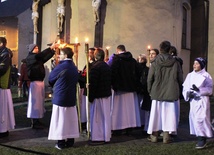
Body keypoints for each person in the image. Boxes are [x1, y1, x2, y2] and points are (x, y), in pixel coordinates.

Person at [147, 41, 183, 144]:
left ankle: (154, 136)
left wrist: (150, 90)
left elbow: (150, 78)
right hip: (170, 90)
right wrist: (179, 88)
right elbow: (180, 78)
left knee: (155, 115)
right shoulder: (175, 62)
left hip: (157, 91)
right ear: (169, 49)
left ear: (161, 49)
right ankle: (166, 136)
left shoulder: (155, 62)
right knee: (169, 115)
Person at [48, 47, 79, 150]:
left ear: (65, 56)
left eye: (60, 54)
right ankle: (70, 141)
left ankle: (60, 142)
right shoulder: (74, 67)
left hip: (61, 97)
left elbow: (51, 78)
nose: (59, 56)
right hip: (70, 97)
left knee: (60, 121)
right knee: (70, 120)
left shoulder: (62, 66)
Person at [26, 42, 59, 129]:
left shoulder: (37, 58)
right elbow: (41, 55)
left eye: (37, 47)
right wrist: (50, 48)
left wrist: (53, 51)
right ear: (32, 50)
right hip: (35, 83)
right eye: (35, 48)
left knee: (40, 102)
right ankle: (35, 121)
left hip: (40, 82)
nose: (37, 49)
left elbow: (45, 58)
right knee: (35, 102)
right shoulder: (31, 57)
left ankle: (38, 119)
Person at [182, 57, 213, 149]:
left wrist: (199, 90)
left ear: (202, 65)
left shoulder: (206, 76)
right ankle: (200, 137)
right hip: (193, 101)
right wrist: (188, 93)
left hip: (202, 101)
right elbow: (185, 87)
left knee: (201, 119)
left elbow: (210, 89)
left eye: (197, 63)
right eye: (194, 63)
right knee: (195, 119)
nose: (194, 65)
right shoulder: (190, 75)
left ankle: (202, 139)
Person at [110, 45, 141, 135]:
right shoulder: (133, 60)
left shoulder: (116, 60)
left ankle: (117, 128)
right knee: (130, 109)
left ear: (117, 50)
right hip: (131, 88)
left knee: (118, 110)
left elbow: (113, 73)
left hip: (120, 88)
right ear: (125, 50)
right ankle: (129, 127)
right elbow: (138, 72)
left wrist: (113, 84)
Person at [88, 48, 112, 145]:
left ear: (96, 56)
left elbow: (94, 84)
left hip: (98, 96)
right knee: (105, 117)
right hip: (106, 94)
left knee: (97, 118)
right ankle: (106, 136)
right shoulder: (107, 66)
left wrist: (91, 96)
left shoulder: (95, 68)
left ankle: (98, 137)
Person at [0, 37, 15, 138]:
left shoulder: (5, 54)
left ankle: (3, 130)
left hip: (2, 85)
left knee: (2, 109)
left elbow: (2, 69)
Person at [78, 47, 95, 131]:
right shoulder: (88, 64)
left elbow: (88, 77)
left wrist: (79, 76)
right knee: (84, 108)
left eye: (91, 53)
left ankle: (87, 124)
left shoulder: (93, 65)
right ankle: (83, 123)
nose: (89, 54)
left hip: (90, 89)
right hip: (84, 88)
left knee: (87, 108)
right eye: (89, 53)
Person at [137, 54, 151, 133]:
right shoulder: (146, 69)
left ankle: (141, 123)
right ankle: (143, 123)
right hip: (143, 89)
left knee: (141, 107)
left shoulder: (142, 69)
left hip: (142, 89)